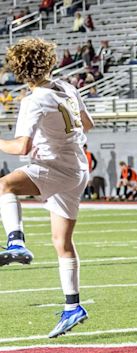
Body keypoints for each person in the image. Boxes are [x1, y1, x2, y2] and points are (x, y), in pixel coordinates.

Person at [0, 38, 93, 337]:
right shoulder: (67, 87)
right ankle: (73, 306)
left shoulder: (34, 99)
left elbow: (22, 147)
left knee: (5, 186)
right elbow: (87, 124)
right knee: (61, 242)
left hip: (56, 166)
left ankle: (15, 241)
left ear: (18, 69)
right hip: (78, 168)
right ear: (49, 62)